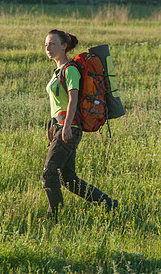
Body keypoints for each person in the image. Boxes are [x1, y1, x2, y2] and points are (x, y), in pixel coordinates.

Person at [42, 29, 118, 220]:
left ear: (64, 46)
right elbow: (57, 104)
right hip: (61, 127)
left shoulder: (70, 70)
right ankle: (108, 204)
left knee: (49, 172)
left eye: (52, 43)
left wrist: (66, 126)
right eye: (46, 44)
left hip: (69, 128)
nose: (48, 47)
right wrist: (52, 125)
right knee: (68, 178)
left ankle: (54, 217)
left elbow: (72, 101)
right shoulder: (58, 71)